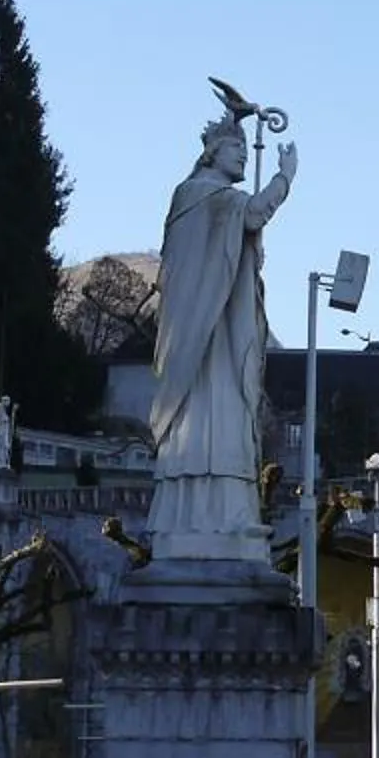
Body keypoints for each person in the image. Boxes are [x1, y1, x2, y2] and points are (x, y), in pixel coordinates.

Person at [145, 109, 297, 564]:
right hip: (204, 335)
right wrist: (285, 178)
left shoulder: (197, 198)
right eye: (237, 150)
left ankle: (224, 514)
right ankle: (207, 519)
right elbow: (253, 213)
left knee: (226, 421)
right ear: (214, 151)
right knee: (214, 419)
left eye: (245, 150)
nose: (244, 159)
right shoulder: (203, 195)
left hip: (211, 328)